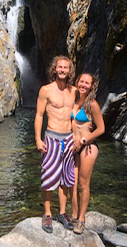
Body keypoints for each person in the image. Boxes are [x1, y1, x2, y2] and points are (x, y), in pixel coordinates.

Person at [34, 55, 77, 233]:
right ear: (54, 69)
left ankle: (62, 213)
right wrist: (38, 139)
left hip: (68, 138)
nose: (62, 70)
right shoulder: (46, 90)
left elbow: (79, 114)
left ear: (69, 71)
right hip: (51, 137)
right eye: (59, 67)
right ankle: (47, 214)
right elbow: (39, 115)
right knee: (49, 176)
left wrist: (80, 136)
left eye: (65, 67)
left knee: (65, 179)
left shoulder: (74, 91)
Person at [68, 71, 105, 234]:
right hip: (72, 147)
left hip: (87, 147)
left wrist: (83, 140)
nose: (83, 85)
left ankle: (81, 220)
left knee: (83, 183)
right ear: (77, 82)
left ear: (92, 86)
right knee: (72, 183)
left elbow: (101, 129)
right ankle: (74, 214)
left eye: (87, 83)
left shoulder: (92, 105)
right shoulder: (73, 101)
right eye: (81, 81)